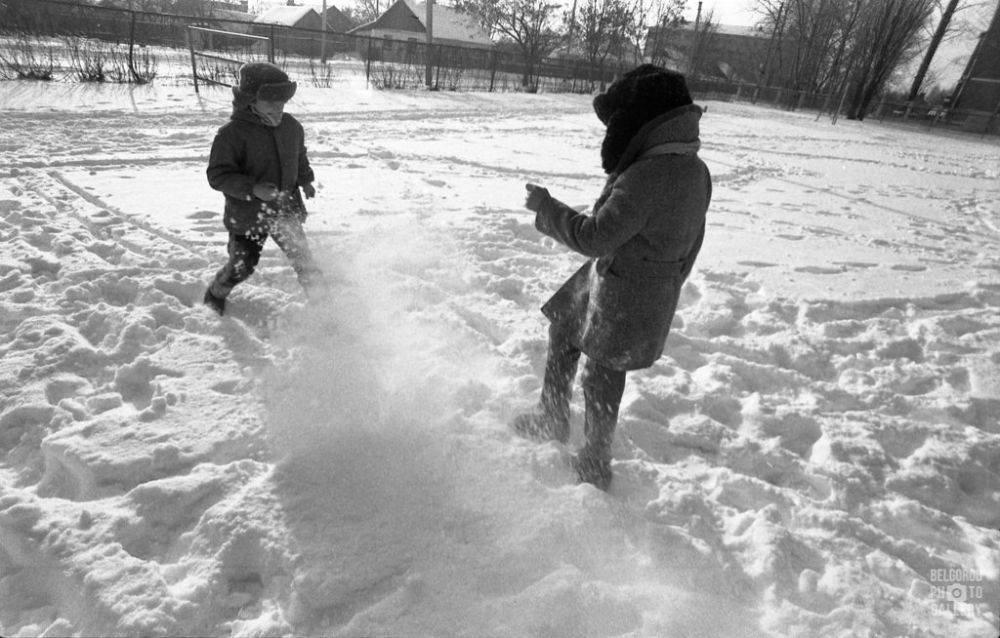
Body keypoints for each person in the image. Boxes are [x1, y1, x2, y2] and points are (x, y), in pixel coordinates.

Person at [512, 64, 712, 491]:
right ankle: (552, 417)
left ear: (638, 125)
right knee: (564, 330)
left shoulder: (645, 178)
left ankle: (595, 461)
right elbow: (693, 242)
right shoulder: (695, 171)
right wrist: (668, 283)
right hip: (629, 285)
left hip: (626, 296)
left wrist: (547, 208)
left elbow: (595, 236)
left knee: (603, 374)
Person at [203, 61, 322, 315]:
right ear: (250, 101)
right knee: (241, 267)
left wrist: (306, 180)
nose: (278, 109)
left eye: (281, 103)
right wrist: (252, 188)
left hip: (284, 208)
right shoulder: (231, 134)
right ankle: (216, 292)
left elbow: (299, 157)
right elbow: (218, 175)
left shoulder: (292, 127)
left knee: (305, 262)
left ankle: (326, 308)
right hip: (247, 216)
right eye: (270, 102)